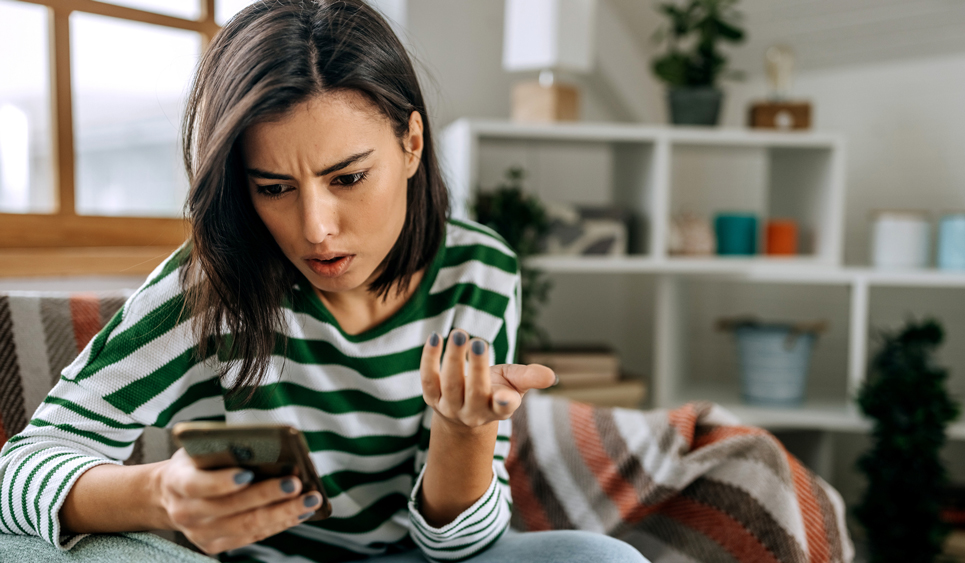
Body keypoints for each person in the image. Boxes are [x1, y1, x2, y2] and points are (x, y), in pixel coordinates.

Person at [0, 1, 648, 562]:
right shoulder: (210, 288)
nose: (316, 229)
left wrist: (463, 430)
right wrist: (159, 493)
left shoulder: (479, 270)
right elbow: (18, 473)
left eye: (348, 178)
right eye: (274, 188)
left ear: (412, 143)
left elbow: (460, 548)